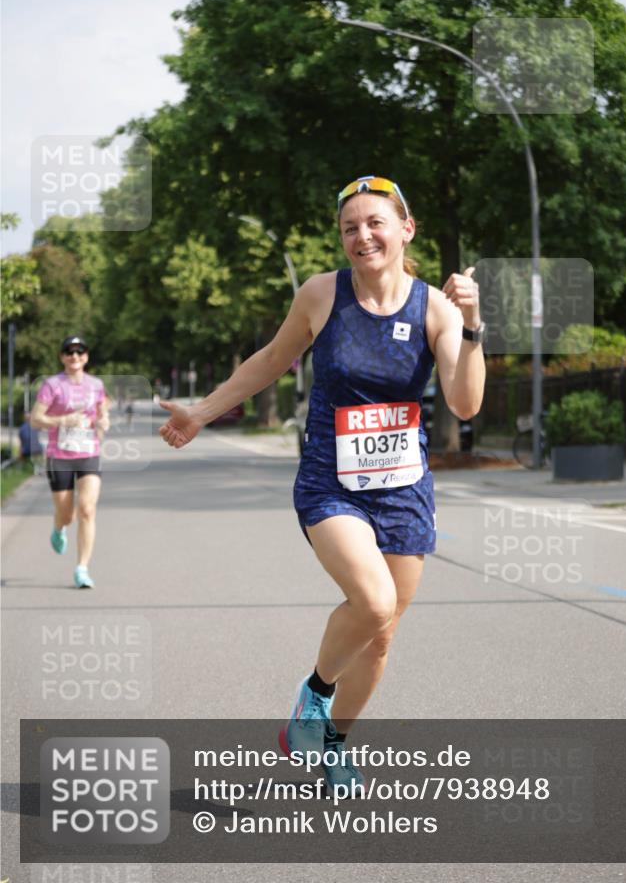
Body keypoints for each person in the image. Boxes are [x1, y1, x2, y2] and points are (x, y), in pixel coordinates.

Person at [159, 175, 485, 794]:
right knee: (375, 601)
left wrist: (472, 327)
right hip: (330, 484)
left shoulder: (435, 308)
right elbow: (270, 359)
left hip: (404, 489)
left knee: (381, 638)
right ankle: (313, 698)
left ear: (405, 229)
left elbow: (465, 404)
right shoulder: (321, 294)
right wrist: (201, 412)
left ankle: (331, 743)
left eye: (375, 223)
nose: (362, 236)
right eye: (350, 227)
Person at [31, 335, 110, 589]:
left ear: (86, 356)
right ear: (62, 357)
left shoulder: (96, 385)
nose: (74, 356)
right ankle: (58, 527)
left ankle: (82, 568)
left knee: (87, 509)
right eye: (69, 352)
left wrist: (103, 423)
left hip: (88, 453)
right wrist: (62, 421)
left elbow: (102, 413)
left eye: (79, 352)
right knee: (67, 514)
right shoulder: (52, 385)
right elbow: (35, 419)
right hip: (59, 455)